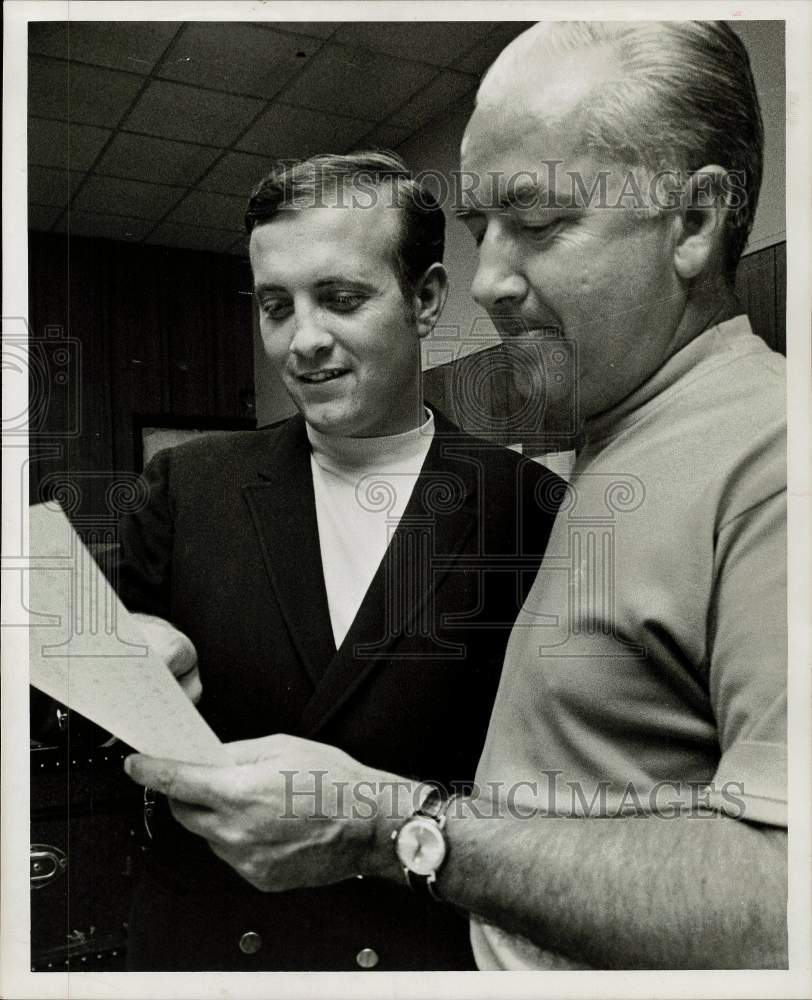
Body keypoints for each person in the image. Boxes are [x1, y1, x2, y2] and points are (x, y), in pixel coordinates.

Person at [125, 21, 788, 970]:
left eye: (541, 222)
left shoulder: (754, 457)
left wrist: (389, 827)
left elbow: (783, 897)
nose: (495, 282)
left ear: (692, 222)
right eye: (485, 231)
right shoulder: (618, 444)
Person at [114, 151, 563, 971]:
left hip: (409, 948)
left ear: (424, 300)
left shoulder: (526, 507)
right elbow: (112, 738)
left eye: (342, 299)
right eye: (276, 307)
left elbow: (550, 789)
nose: (304, 341)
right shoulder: (185, 486)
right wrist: (123, 658)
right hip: (210, 950)